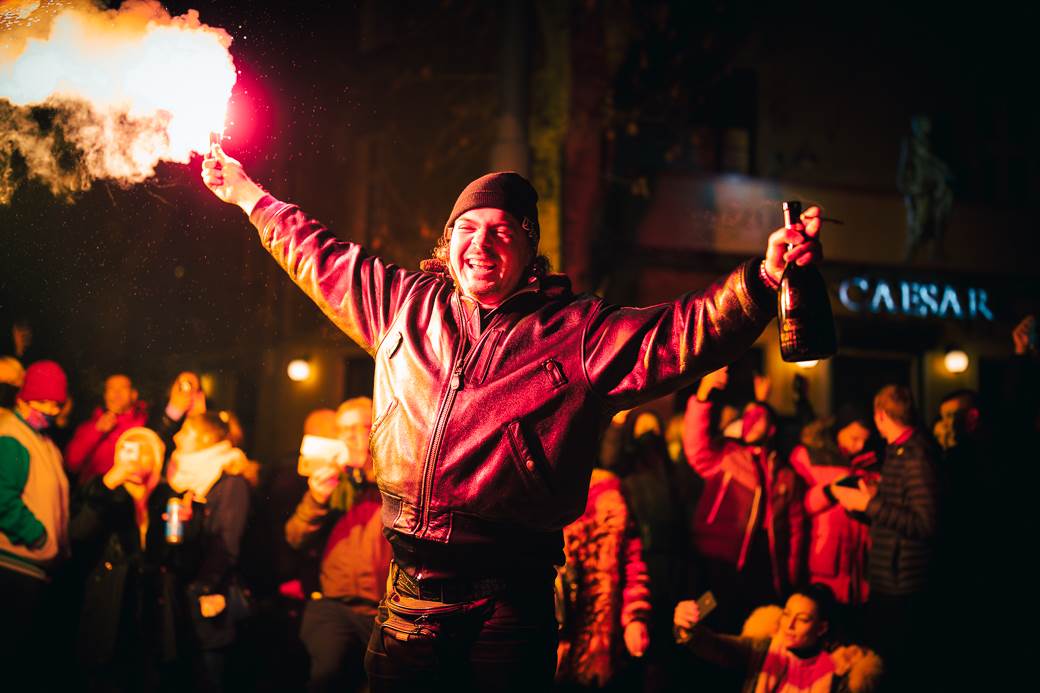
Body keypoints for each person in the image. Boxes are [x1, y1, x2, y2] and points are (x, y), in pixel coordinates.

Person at [201, 145, 825, 691]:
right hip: (408, 599)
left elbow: (682, 334)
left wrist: (766, 277)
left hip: (510, 605)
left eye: (503, 231)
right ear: (447, 246)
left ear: (530, 248)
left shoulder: (577, 331)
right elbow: (319, 253)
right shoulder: (402, 306)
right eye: (468, 228)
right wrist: (246, 193)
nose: (483, 243)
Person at [682, 367, 806, 633]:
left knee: (754, 632)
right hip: (719, 562)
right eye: (747, 415)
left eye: (758, 417)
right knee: (708, 623)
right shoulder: (727, 454)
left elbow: (796, 527)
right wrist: (704, 393)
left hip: (763, 568)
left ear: (772, 429)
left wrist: (791, 576)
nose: (750, 421)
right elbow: (695, 446)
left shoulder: (785, 474)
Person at [830, 385, 937, 686]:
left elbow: (925, 523)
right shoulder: (899, 449)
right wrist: (874, 498)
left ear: (880, 416)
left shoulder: (916, 454)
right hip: (890, 575)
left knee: (897, 667)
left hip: (903, 580)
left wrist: (869, 504)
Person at [286, 397, 392, 693]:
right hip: (334, 605)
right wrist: (317, 499)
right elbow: (295, 536)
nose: (353, 436)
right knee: (326, 677)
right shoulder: (328, 477)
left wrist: (371, 472)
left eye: (362, 427)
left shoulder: (397, 474)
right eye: (344, 429)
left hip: (384, 610)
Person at [67, 426, 183, 690]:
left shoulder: (167, 498)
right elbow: (79, 534)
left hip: (152, 610)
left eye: (144, 453)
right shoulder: (105, 492)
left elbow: (177, 558)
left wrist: (189, 527)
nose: (134, 460)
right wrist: (106, 486)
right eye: (128, 451)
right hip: (111, 604)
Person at [166, 411, 252, 692]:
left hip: (209, 599)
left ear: (206, 438)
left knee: (207, 678)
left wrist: (205, 588)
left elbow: (227, 543)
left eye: (186, 432)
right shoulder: (183, 480)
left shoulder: (230, 482)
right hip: (181, 593)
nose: (177, 437)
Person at [673, 585, 881, 693]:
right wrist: (687, 627)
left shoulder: (839, 670)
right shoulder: (764, 647)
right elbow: (716, 647)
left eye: (802, 620)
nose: (789, 626)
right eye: (787, 614)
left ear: (821, 628)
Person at [0, 360, 71, 667]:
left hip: (35, 568)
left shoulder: (43, 441)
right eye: (44, 402)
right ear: (24, 398)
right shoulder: (13, 437)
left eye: (56, 403)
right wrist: (38, 537)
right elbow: (2, 498)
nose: (51, 410)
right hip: (14, 568)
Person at [555, 465, 651, 690]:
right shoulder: (537, 487)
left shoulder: (609, 492)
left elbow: (632, 560)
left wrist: (635, 617)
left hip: (600, 646)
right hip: (549, 642)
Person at [788, 404, 878, 613]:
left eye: (865, 439)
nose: (859, 445)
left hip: (863, 564)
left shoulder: (872, 462)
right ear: (839, 428)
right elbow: (797, 506)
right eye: (854, 438)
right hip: (825, 559)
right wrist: (830, 491)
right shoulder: (809, 455)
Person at [65, 373, 149, 485]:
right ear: (105, 395)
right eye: (111, 388)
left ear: (134, 394)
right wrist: (96, 430)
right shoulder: (90, 426)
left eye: (123, 388)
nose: (116, 393)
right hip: (96, 497)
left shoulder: (145, 425)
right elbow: (71, 463)